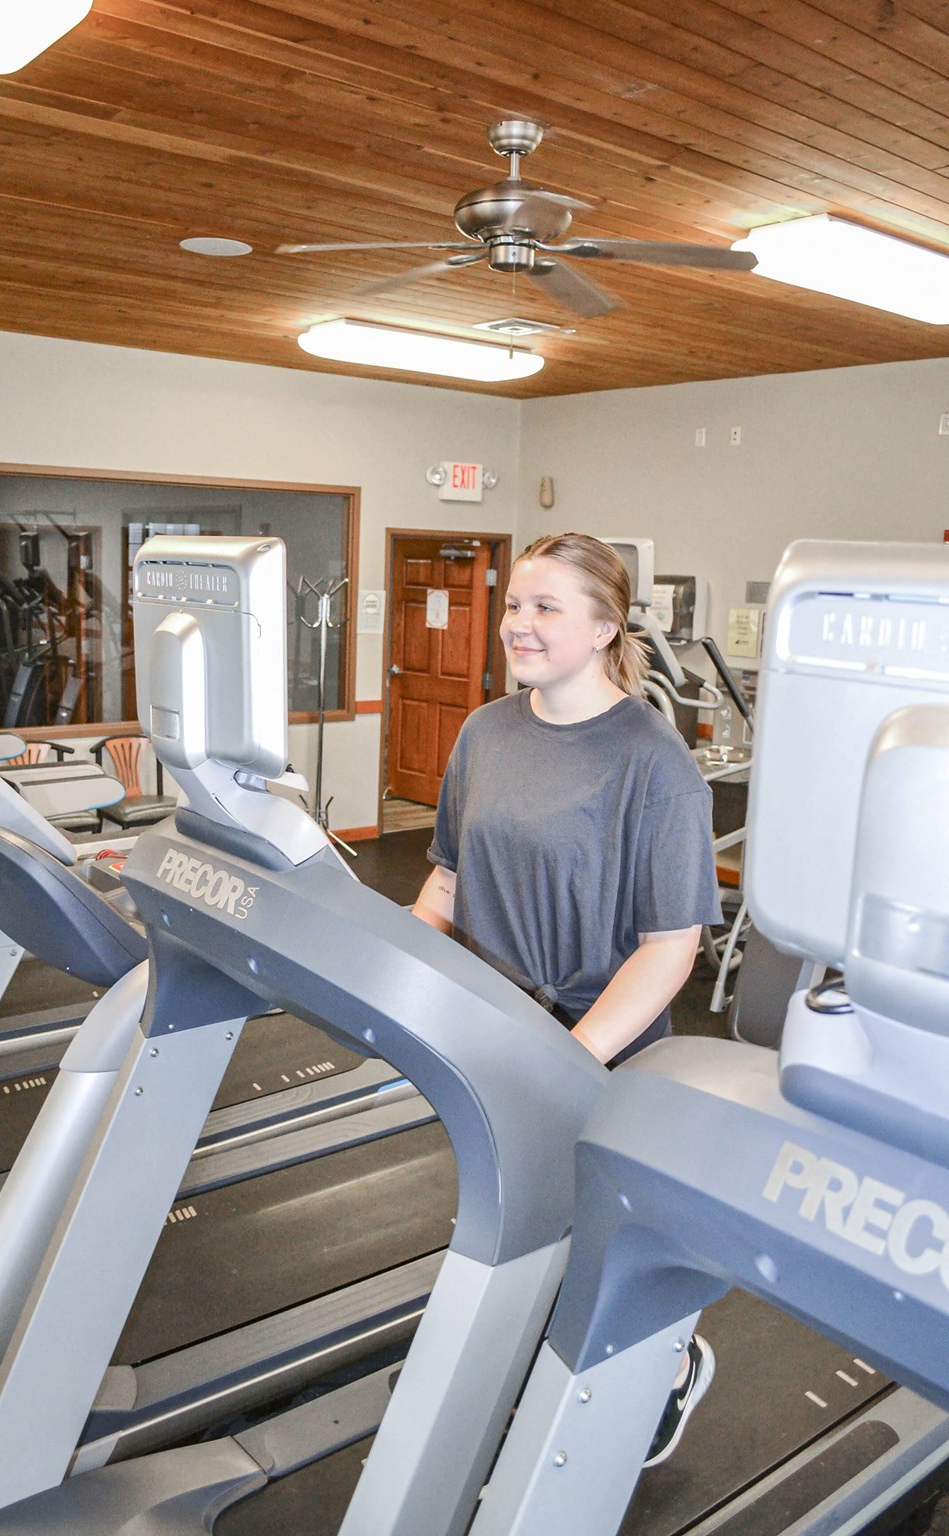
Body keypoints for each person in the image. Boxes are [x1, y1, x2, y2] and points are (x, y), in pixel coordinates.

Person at [412, 531, 722, 1465]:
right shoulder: (486, 731)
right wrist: (383, 966)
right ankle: (520, 1372)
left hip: (599, 1042)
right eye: (514, 605)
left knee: (597, 1233)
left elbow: (673, 947)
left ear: (602, 629)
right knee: (512, 1212)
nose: (518, 624)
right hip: (493, 1030)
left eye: (546, 608)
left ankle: (669, 1370)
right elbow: (444, 887)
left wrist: (571, 1057)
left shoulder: (651, 759)